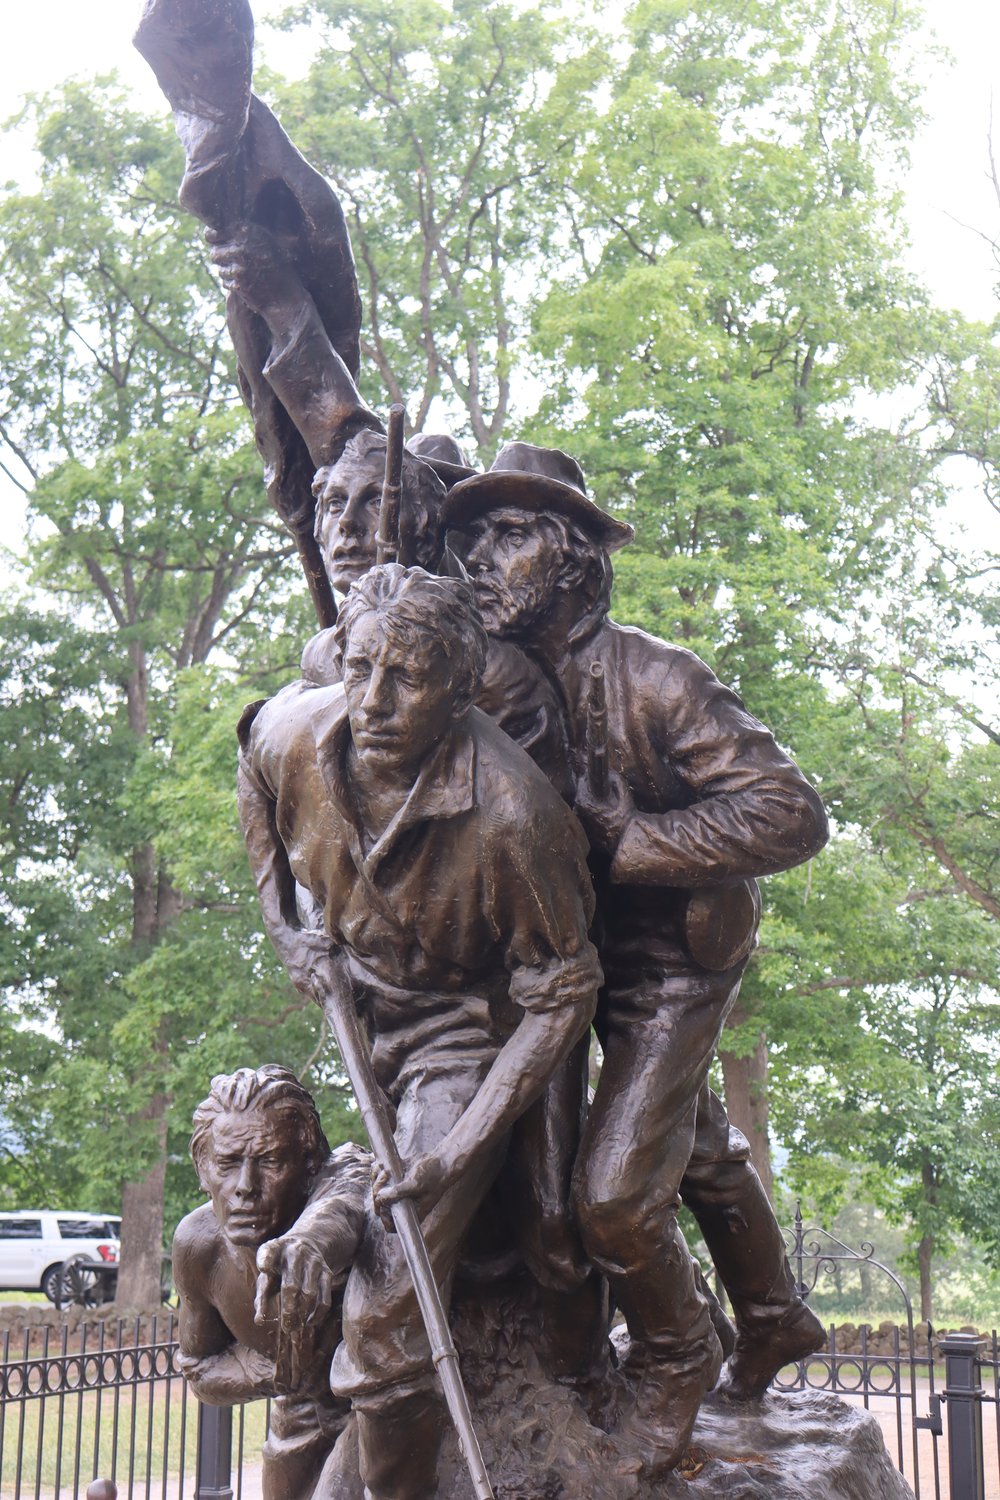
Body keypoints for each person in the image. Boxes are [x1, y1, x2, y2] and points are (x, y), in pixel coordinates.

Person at [442, 443, 830, 1477]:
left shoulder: (659, 677)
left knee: (612, 1196)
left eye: (511, 535)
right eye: (472, 537)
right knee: (693, 1151)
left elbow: (791, 815)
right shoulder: (485, 682)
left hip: (673, 963)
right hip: (568, 970)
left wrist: (631, 843)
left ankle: (674, 1356)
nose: (482, 555)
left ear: (573, 560)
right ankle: (777, 1316)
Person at [236, 564, 601, 1500]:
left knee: (393, 1291)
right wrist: (288, 933)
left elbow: (564, 992)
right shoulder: (296, 733)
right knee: (331, 1246)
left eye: (410, 677)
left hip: (463, 1037)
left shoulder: (518, 816)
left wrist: (462, 1148)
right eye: (361, 669)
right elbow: (250, 769)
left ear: (460, 684)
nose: (376, 700)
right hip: (359, 1007)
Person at [173, 1065, 370, 1500]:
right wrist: (274, 1374)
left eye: (270, 1161)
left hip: (385, 1409)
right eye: (227, 1163)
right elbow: (199, 1366)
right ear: (203, 1169)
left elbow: (345, 1203)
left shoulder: (343, 1183)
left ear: (309, 1164)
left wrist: (308, 1243)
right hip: (297, 1418)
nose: (245, 1187)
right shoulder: (198, 1247)